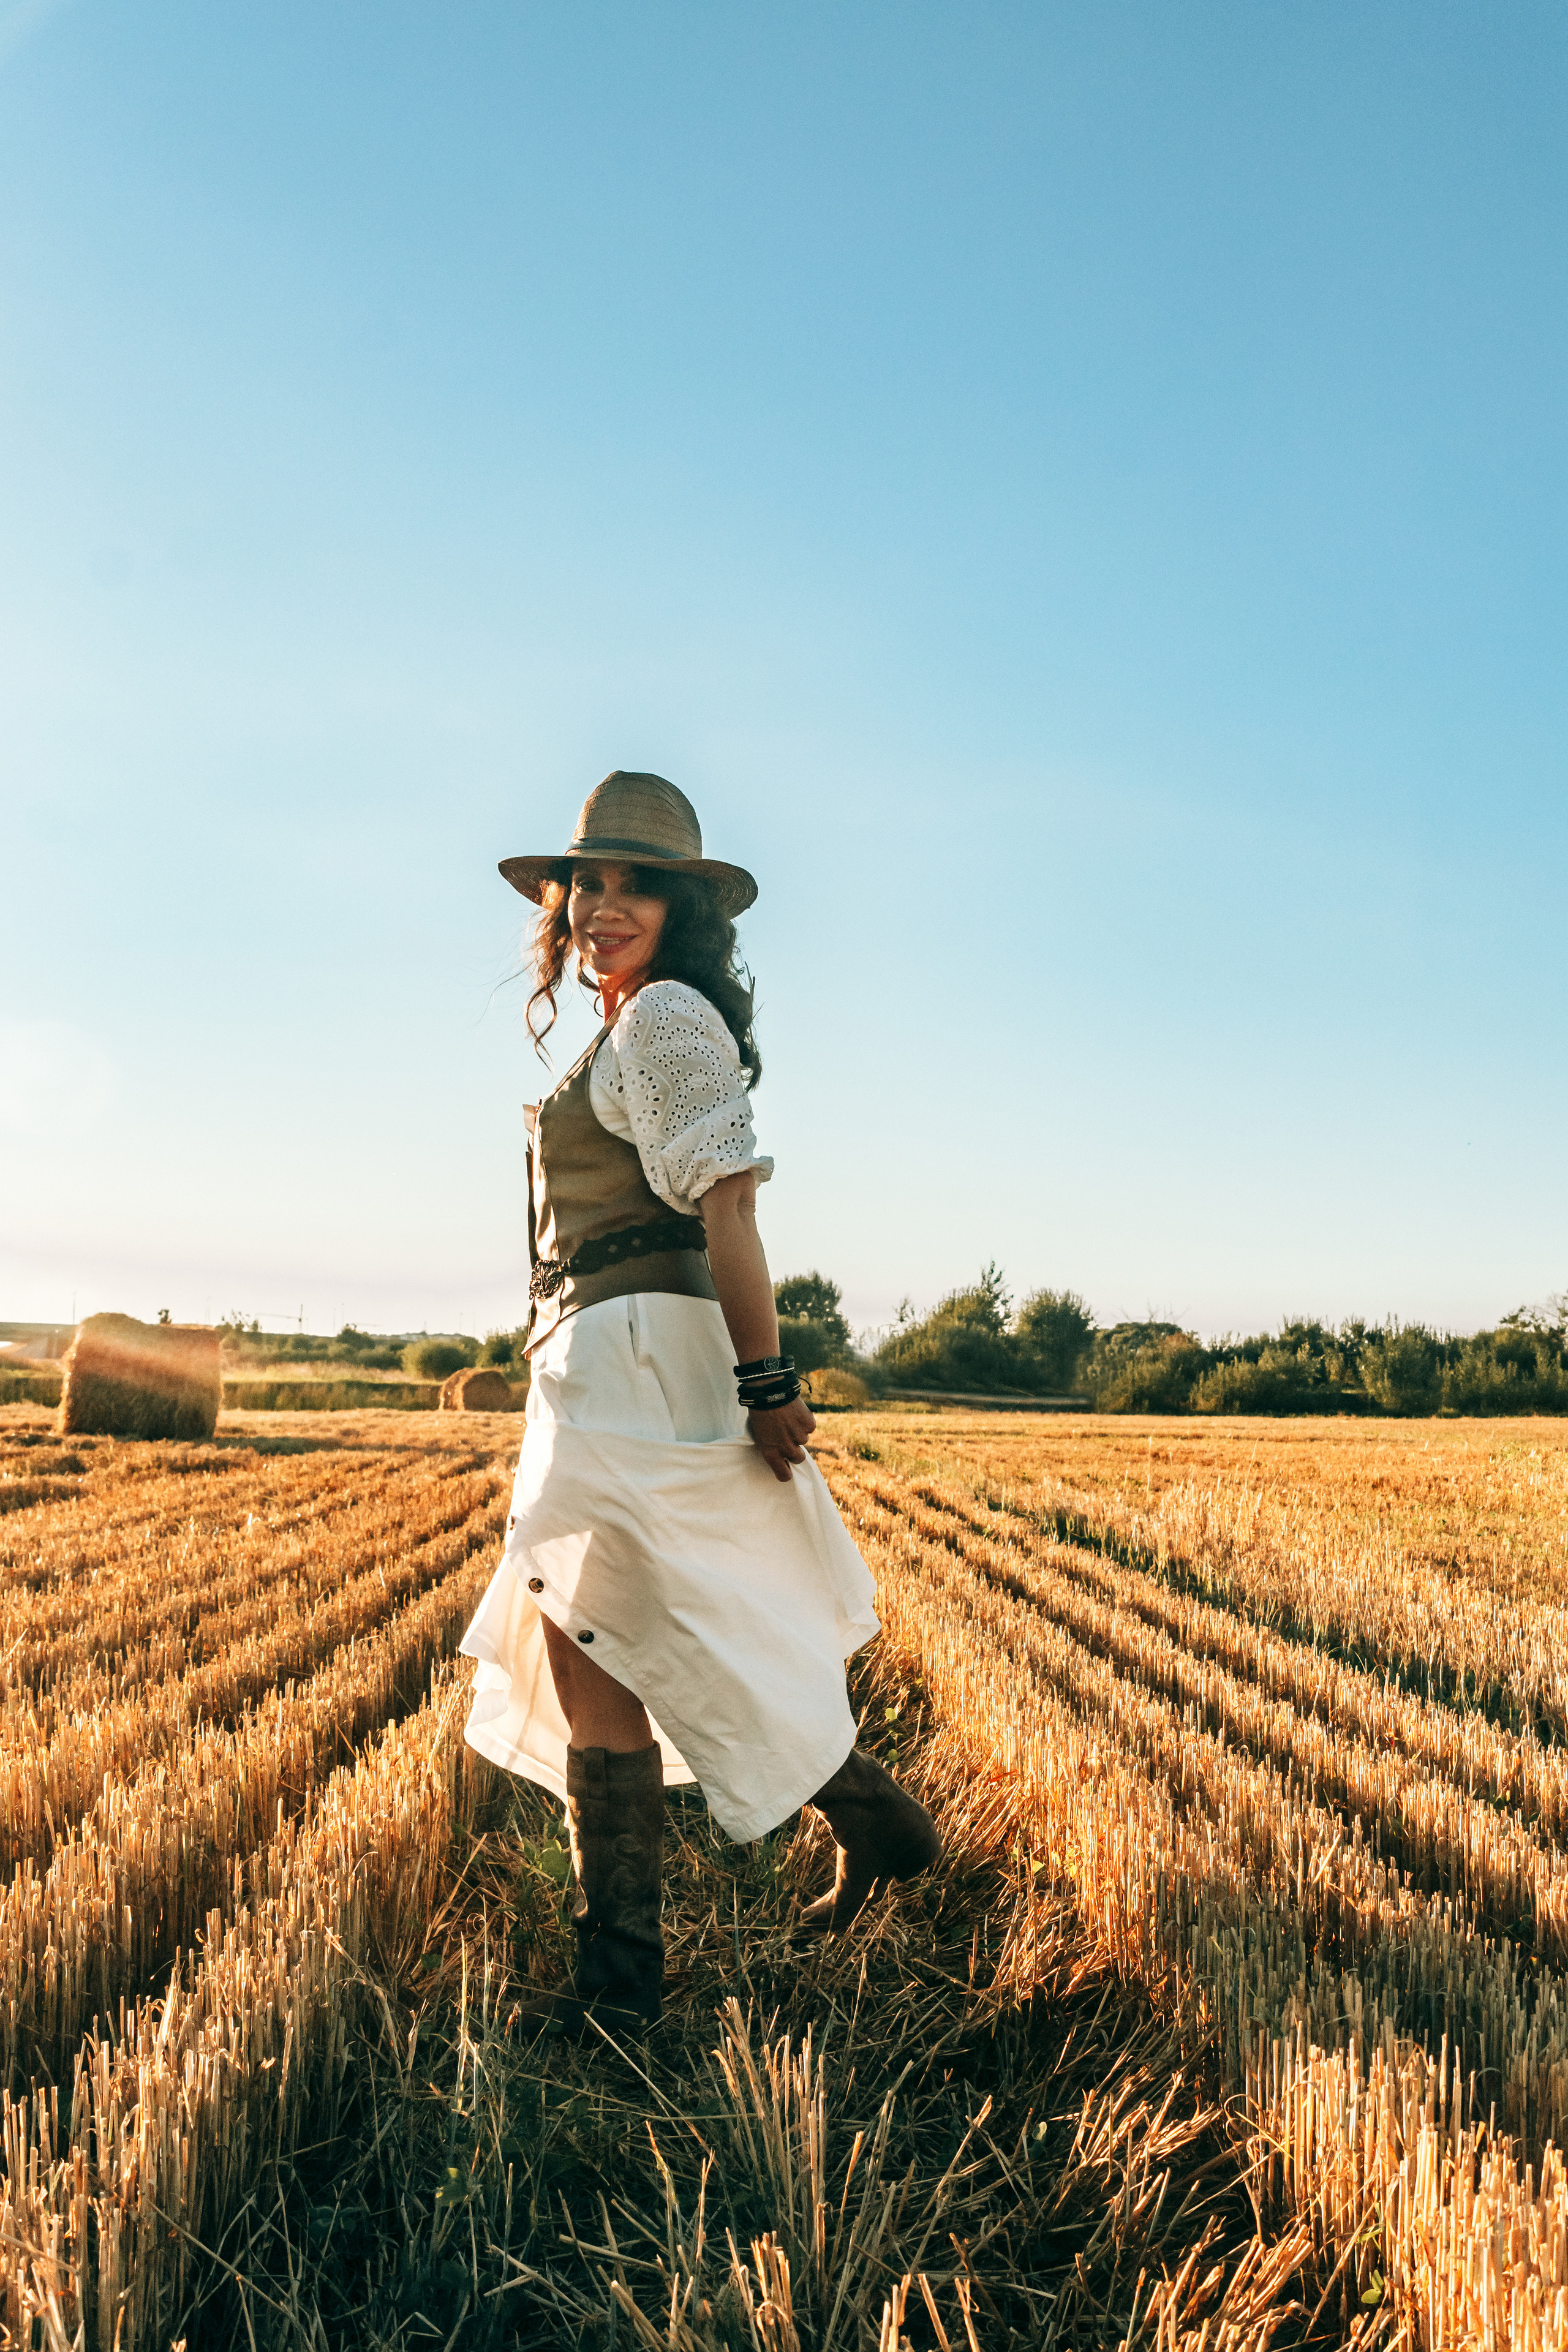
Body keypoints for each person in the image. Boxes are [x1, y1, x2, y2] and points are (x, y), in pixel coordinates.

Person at [459, 771, 940, 2032]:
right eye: (586, 885)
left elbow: (725, 1201)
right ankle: (641, 1970)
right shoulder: (620, 1026)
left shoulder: (665, 1018)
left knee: (632, 1629)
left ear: (682, 908)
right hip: (589, 1350)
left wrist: (766, 1381)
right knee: (598, 1637)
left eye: (633, 886)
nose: (601, 908)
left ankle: (634, 1976)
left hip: (642, 1353)